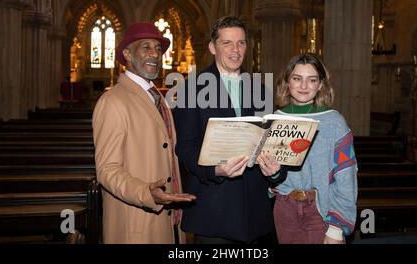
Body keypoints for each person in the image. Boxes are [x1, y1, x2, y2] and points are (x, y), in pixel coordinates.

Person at [173, 16, 281, 244]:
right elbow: (184, 146)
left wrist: (276, 166)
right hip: (215, 208)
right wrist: (214, 171)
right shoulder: (192, 89)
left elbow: (270, 141)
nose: (236, 49)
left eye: (241, 42)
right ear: (213, 47)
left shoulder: (260, 90)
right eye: (227, 43)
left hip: (255, 209)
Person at [92, 22, 196, 244]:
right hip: (136, 222)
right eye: (146, 47)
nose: (155, 54)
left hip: (166, 219)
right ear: (127, 54)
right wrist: (146, 192)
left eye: (158, 49)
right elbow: (107, 170)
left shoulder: (157, 98)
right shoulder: (113, 101)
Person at [266, 53, 358, 244]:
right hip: (285, 208)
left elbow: (345, 175)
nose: (304, 86)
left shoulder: (335, 122)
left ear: (321, 85)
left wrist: (336, 227)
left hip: (320, 209)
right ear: (287, 82)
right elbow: (272, 172)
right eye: (297, 78)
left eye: (312, 80)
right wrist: (272, 175)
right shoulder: (275, 119)